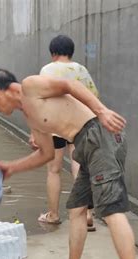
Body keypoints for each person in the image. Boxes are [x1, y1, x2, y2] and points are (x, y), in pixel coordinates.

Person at [0, 69, 138, 259]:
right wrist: (11, 167)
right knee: (76, 209)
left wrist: (102, 111)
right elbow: (46, 154)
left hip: (99, 135)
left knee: (111, 208)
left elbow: (70, 85)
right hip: (86, 147)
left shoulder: (31, 86)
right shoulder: (31, 118)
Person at [33, 35, 98, 231]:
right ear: (71, 52)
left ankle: (53, 215)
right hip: (79, 125)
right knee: (79, 169)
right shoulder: (81, 70)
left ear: (53, 53)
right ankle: (86, 213)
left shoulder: (47, 70)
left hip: (54, 126)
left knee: (54, 170)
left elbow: (39, 100)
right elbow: (93, 96)